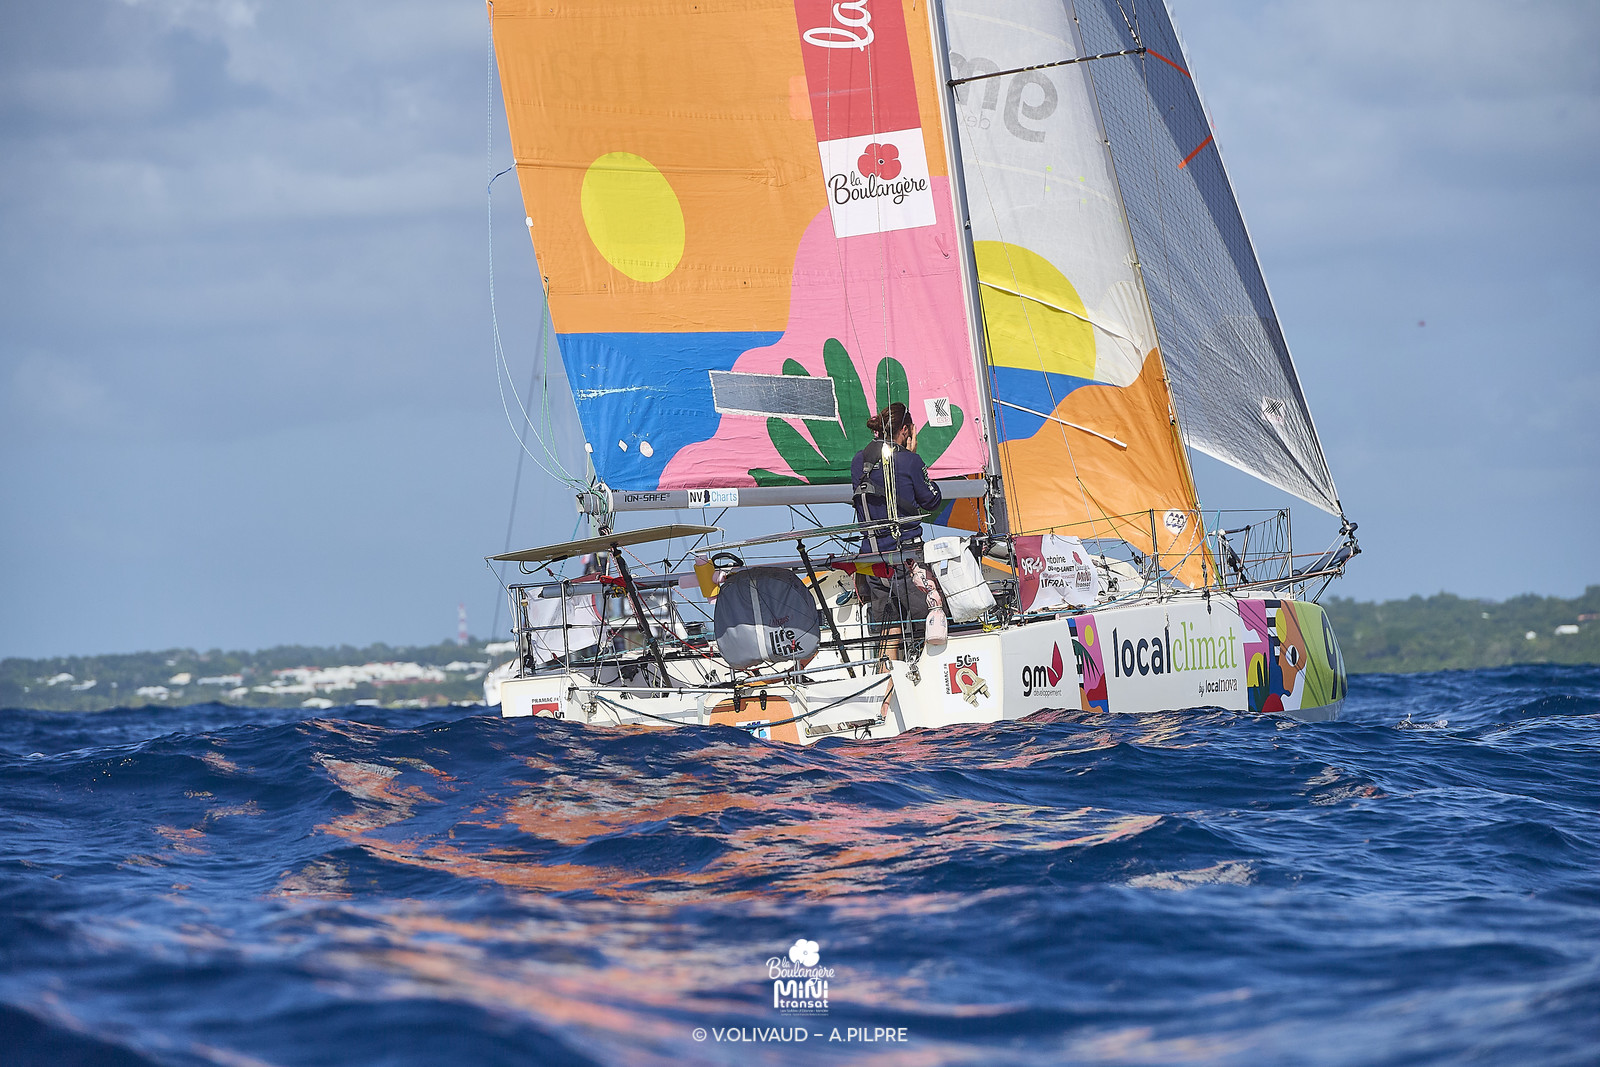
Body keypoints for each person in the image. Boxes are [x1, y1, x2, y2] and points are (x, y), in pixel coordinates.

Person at [850, 403, 948, 649]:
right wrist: (915, 455)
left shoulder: (857, 461)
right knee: (930, 620)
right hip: (906, 557)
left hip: (872, 558)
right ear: (905, 430)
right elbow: (931, 500)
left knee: (888, 629)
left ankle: (889, 685)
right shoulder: (910, 461)